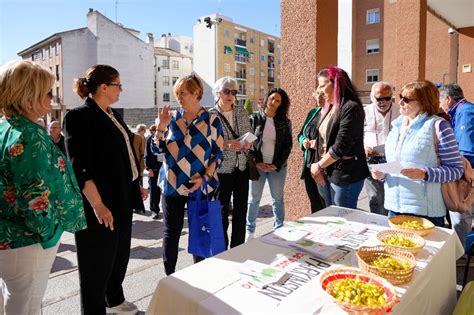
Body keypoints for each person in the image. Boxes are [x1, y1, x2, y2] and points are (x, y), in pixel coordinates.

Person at [0, 60, 86, 314]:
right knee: (26, 307)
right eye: (48, 92)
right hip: (28, 242)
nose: (53, 98)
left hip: (8, 237)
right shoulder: (29, 134)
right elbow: (34, 194)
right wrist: (49, 234)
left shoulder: (5, 127)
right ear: (29, 98)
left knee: (13, 299)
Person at [64, 64, 146, 314]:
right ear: (103, 87)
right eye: (118, 85)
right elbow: (82, 167)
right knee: (95, 265)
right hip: (100, 204)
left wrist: (136, 183)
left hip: (122, 198)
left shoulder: (112, 113)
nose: (121, 89)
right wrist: (98, 205)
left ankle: (114, 299)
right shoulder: (79, 116)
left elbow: (127, 151)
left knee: (118, 257)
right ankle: (94, 310)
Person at [152, 74, 224, 275]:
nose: (178, 97)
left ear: (196, 93)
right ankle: (170, 277)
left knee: (200, 232)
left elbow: (218, 154)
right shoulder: (171, 119)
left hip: (200, 186)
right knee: (171, 233)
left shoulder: (212, 120)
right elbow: (156, 150)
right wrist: (160, 129)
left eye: (182, 93)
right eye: (177, 93)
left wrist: (205, 177)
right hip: (172, 185)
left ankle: (198, 276)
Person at [371, 80, 464, 227]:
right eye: (400, 96)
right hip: (394, 207)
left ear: (424, 102)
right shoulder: (396, 126)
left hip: (425, 212)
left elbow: (456, 171)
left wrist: (426, 174)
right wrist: (382, 175)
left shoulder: (439, 126)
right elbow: (396, 165)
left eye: (406, 99)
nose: (400, 102)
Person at [310, 66, 370, 208]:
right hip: (327, 171)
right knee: (332, 217)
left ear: (337, 83)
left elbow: (342, 144)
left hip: (345, 174)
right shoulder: (330, 108)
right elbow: (322, 140)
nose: (319, 90)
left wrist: (318, 166)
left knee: (344, 220)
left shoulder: (351, 107)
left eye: (322, 85)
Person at [209, 76, 251, 249]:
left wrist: (247, 144)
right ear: (218, 92)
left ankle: (238, 248)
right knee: (221, 212)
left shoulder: (241, 111)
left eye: (234, 92)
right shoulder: (210, 115)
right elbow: (208, 143)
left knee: (241, 211)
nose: (230, 95)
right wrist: (225, 144)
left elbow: (247, 133)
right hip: (221, 169)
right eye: (226, 91)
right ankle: (221, 248)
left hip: (241, 166)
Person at [246, 88, 292, 240]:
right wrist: (256, 163)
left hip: (277, 168)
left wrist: (277, 164)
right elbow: (248, 144)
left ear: (281, 104)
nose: (274, 102)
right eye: (272, 98)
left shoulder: (284, 122)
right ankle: (250, 231)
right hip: (258, 167)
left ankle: (279, 228)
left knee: (277, 199)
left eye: (278, 101)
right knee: (254, 199)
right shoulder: (254, 119)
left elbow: (287, 145)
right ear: (267, 99)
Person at [439, 83, 474, 247]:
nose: (440, 105)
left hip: (466, 175)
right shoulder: (464, 110)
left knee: (462, 216)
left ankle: (460, 254)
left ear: (448, 99)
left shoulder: (465, 113)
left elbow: (465, 153)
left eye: (441, 101)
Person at [363, 81, 399, 215]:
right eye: (379, 99)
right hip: (372, 161)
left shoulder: (400, 111)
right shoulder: (364, 112)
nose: (383, 102)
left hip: (393, 161)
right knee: (376, 197)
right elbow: (356, 134)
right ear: (372, 97)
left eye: (387, 98)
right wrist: (364, 148)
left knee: (394, 195)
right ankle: (378, 226)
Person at [297, 88, 326, 213]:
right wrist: (304, 141)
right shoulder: (313, 112)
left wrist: (318, 144)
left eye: (322, 96)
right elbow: (300, 134)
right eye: (317, 96)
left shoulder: (334, 113)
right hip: (309, 166)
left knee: (325, 203)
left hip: (323, 166)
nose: (319, 99)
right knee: (314, 203)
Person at [145, 124, 163, 219]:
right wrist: (148, 168)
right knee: (154, 191)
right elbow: (146, 155)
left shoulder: (167, 138)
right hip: (154, 169)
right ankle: (154, 210)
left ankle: (166, 208)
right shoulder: (149, 139)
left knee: (165, 191)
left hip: (165, 168)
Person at [132, 123, 147, 214]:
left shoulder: (138, 138)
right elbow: (142, 154)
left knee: (137, 186)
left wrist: (141, 168)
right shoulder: (139, 138)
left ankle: (137, 206)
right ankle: (137, 206)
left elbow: (142, 154)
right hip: (135, 166)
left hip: (135, 166)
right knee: (137, 186)